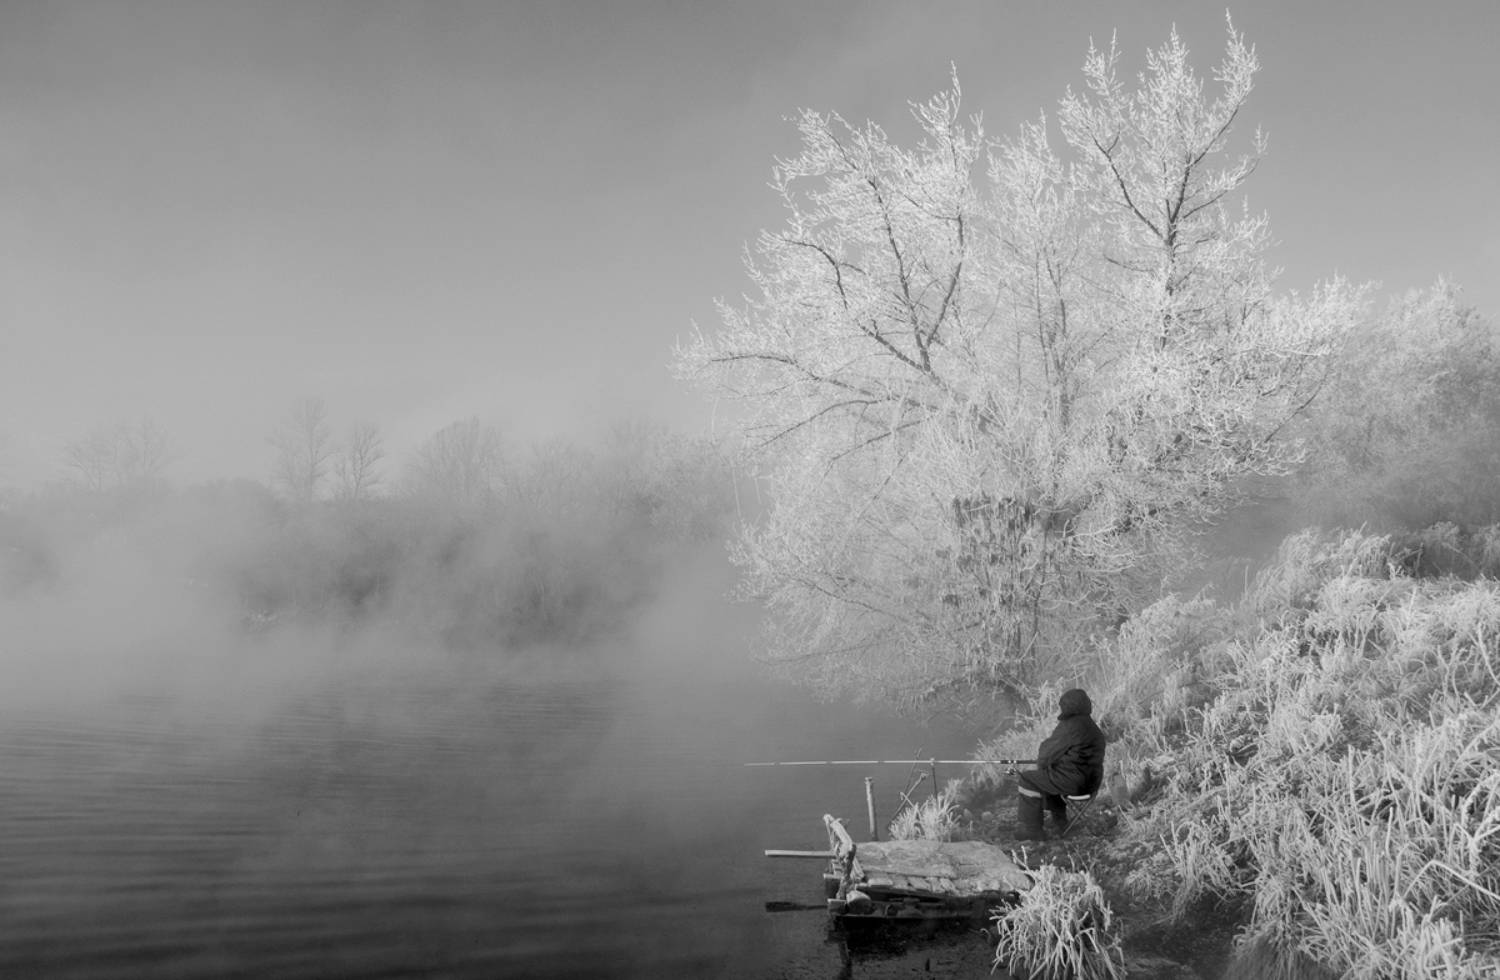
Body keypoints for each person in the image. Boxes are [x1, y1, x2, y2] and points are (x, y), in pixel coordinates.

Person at [1015, 688, 1106, 840]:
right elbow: (1079, 759)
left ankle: (1031, 830)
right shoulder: (1093, 728)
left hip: (1073, 784)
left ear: (1068, 706)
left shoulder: (1069, 726)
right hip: (1091, 785)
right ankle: (1060, 821)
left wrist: (1043, 763)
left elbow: (1046, 753)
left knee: (1027, 778)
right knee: (1052, 773)